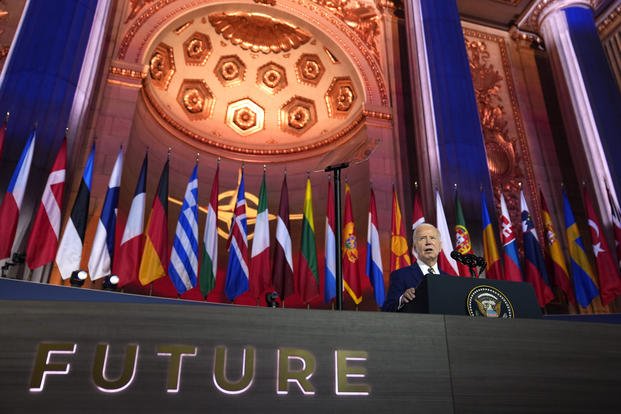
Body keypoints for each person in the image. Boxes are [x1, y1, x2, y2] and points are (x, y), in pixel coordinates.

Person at [382, 223, 450, 312]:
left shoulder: (448, 279)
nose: (428, 242)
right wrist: (402, 299)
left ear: (440, 246)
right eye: (422, 238)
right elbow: (387, 309)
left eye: (432, 238)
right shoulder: (401, 275)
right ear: (414, 247)